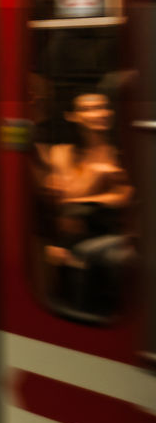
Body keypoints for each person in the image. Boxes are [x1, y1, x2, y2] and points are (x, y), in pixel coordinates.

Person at [41, 91, 135, 314]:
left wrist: (92, 195)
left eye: (103, 107)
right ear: (72, 116)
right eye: (88, 109)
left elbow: (124, 199)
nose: (99, 114)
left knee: (84, 253)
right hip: (66, 234)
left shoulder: (122, 152)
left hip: (111, 234)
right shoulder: (61, 152)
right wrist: (97, 174)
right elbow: (65, 200)